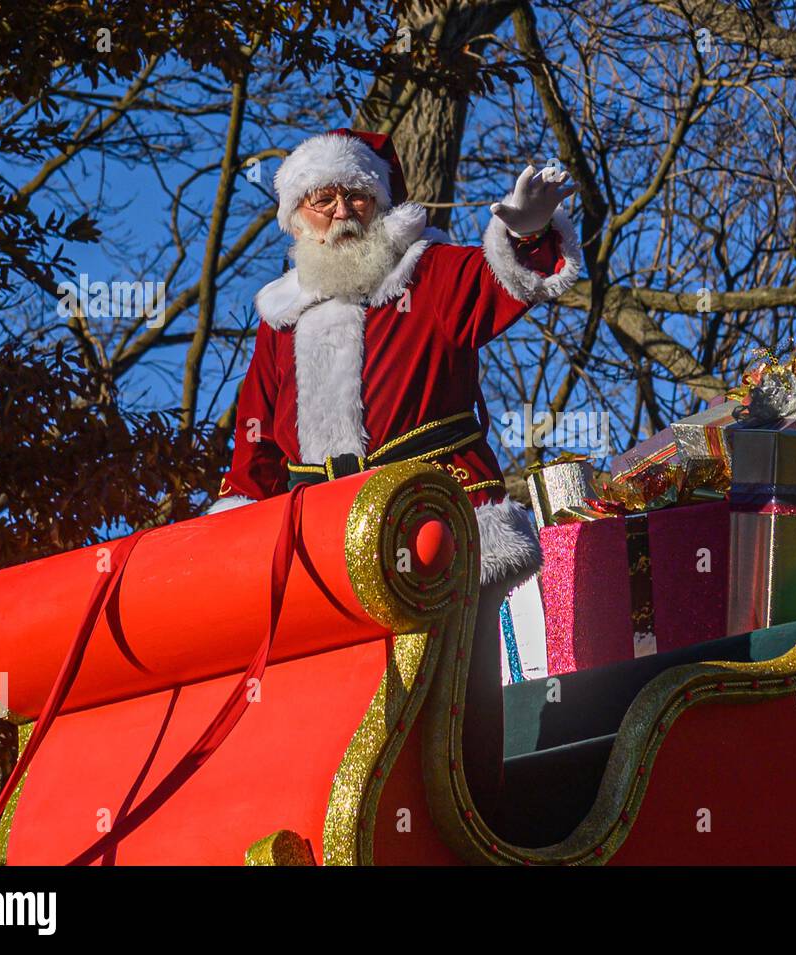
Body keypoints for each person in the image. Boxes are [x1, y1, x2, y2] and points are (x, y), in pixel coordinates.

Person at [208, 128, 582, 819]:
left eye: (355, 195)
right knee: (334, 722)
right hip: (321, 547)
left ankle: (473, 831)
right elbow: (253, 449)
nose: (341, 210)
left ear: (379, 204)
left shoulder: (427, 272)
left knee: (448, 712)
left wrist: (527, 234)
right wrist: (235, 535)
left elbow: (502, 283)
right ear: (297, 217)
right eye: (321, 199)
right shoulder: (278, 320)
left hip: (438, 525)